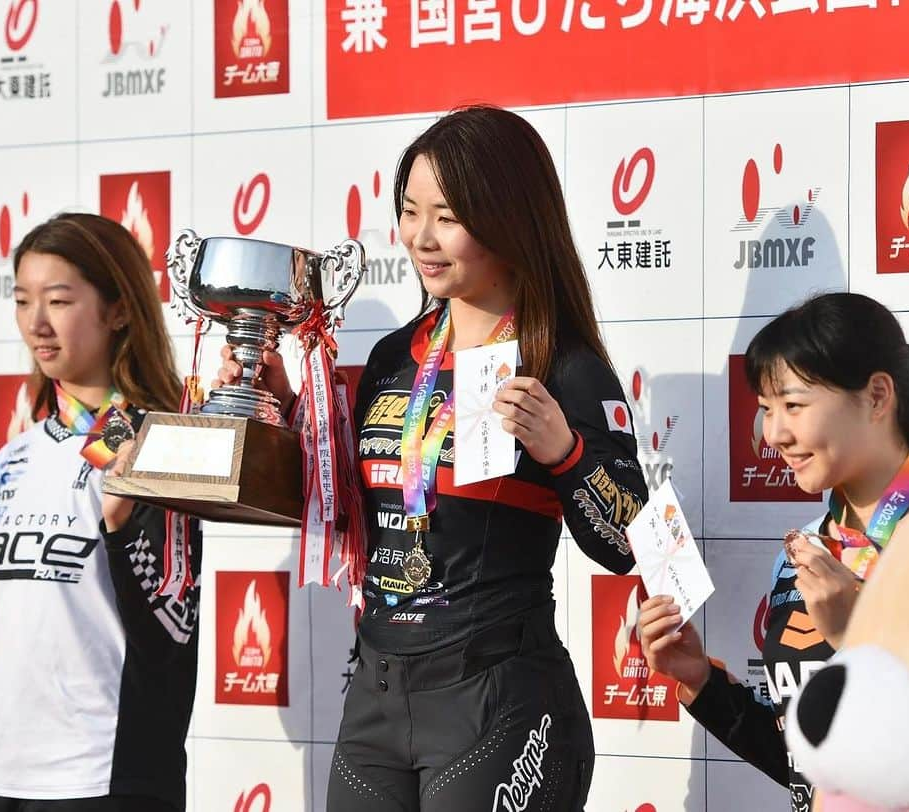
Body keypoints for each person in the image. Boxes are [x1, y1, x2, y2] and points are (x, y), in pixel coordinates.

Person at [217, 105, 649, 811]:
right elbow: (351, 504)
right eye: (411, 211)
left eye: (447, 216)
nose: (421, 237)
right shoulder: (394, 358)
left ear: (510, 219)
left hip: (497, 698)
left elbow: (634, 543)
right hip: (377, 698)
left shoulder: (563, 367)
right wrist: (281, 416)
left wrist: (565, 454)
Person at [0, 213, 201, 812]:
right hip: (10, 776)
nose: (36, 323)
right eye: (23, 300)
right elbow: (18, 634)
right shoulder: (16, 457)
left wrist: (119, 532)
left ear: (117, 310)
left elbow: (168, 638)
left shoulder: (151, 441)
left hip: (109, 778)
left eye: (59, 300)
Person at [637, 291, 909, 810]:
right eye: (766, 409)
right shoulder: (802, 553)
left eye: (793, 405)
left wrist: (855, 637)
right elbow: (809, 766)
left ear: (877, 396)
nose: (773, 434)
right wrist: (700, 680)